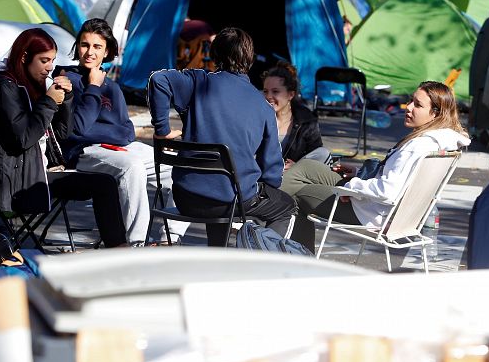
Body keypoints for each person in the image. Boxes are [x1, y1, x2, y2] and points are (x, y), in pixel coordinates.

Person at [148, 27, 297, 247]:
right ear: (250, 59)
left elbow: (158, 79)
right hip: (232, 201)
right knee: (286, 206)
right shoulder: (263, 107)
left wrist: (162, 130)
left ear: (215, 54)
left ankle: (217, 251)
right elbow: (272, 174)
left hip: (186, 196)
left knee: (222, 184)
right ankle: (264, 261)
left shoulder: (199, 82)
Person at [0, 28, 126, 247]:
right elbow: (23, 138)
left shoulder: (35, 85)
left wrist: (65, 99)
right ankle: (119, 250)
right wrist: (48, 102)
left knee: (105, 183)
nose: (49, 67)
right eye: (44, 61)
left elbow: (61, 134)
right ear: (24, 58)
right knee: (103, 185)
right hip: (18, 181)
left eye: (53, 60)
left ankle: (119, 249)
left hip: (41, 170)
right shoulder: (5, 90)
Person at [287, 81, 470, 252]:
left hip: (369, 212)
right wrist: (359, 175)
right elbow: (399, 180)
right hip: (379, 208)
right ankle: (262, 199)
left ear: (435, 114)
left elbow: (388, 191)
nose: (409, 107)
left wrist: (350, 188)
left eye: (418, 105)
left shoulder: (417, 146)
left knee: (296, 195)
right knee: (308, 167)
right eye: (411, 101)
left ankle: (299, 256)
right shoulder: (439, 143)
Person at [60, 18, 188, 246]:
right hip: (84, 152)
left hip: (122, 147)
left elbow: (127, 132)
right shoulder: (68, 80)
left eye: (97, 46)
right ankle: (136, 243)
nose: (89, 52)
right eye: (84, 45)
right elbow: (78, 129)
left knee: (180, 166)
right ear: (77, 47)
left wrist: (100, 130)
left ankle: (171, 238)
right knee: (132, 166)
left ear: (107, 51)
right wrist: (93, 88)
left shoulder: (113, 87)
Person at [260, 62, 331, 187]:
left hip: (293, 176)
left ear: (290, 94)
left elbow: (316, 153)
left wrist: (298, 166)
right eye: (265, 91)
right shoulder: (257, 116)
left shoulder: (306, 119)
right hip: (264, 175)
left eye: (275, 92)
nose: (268, 96)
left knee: (323, 154)